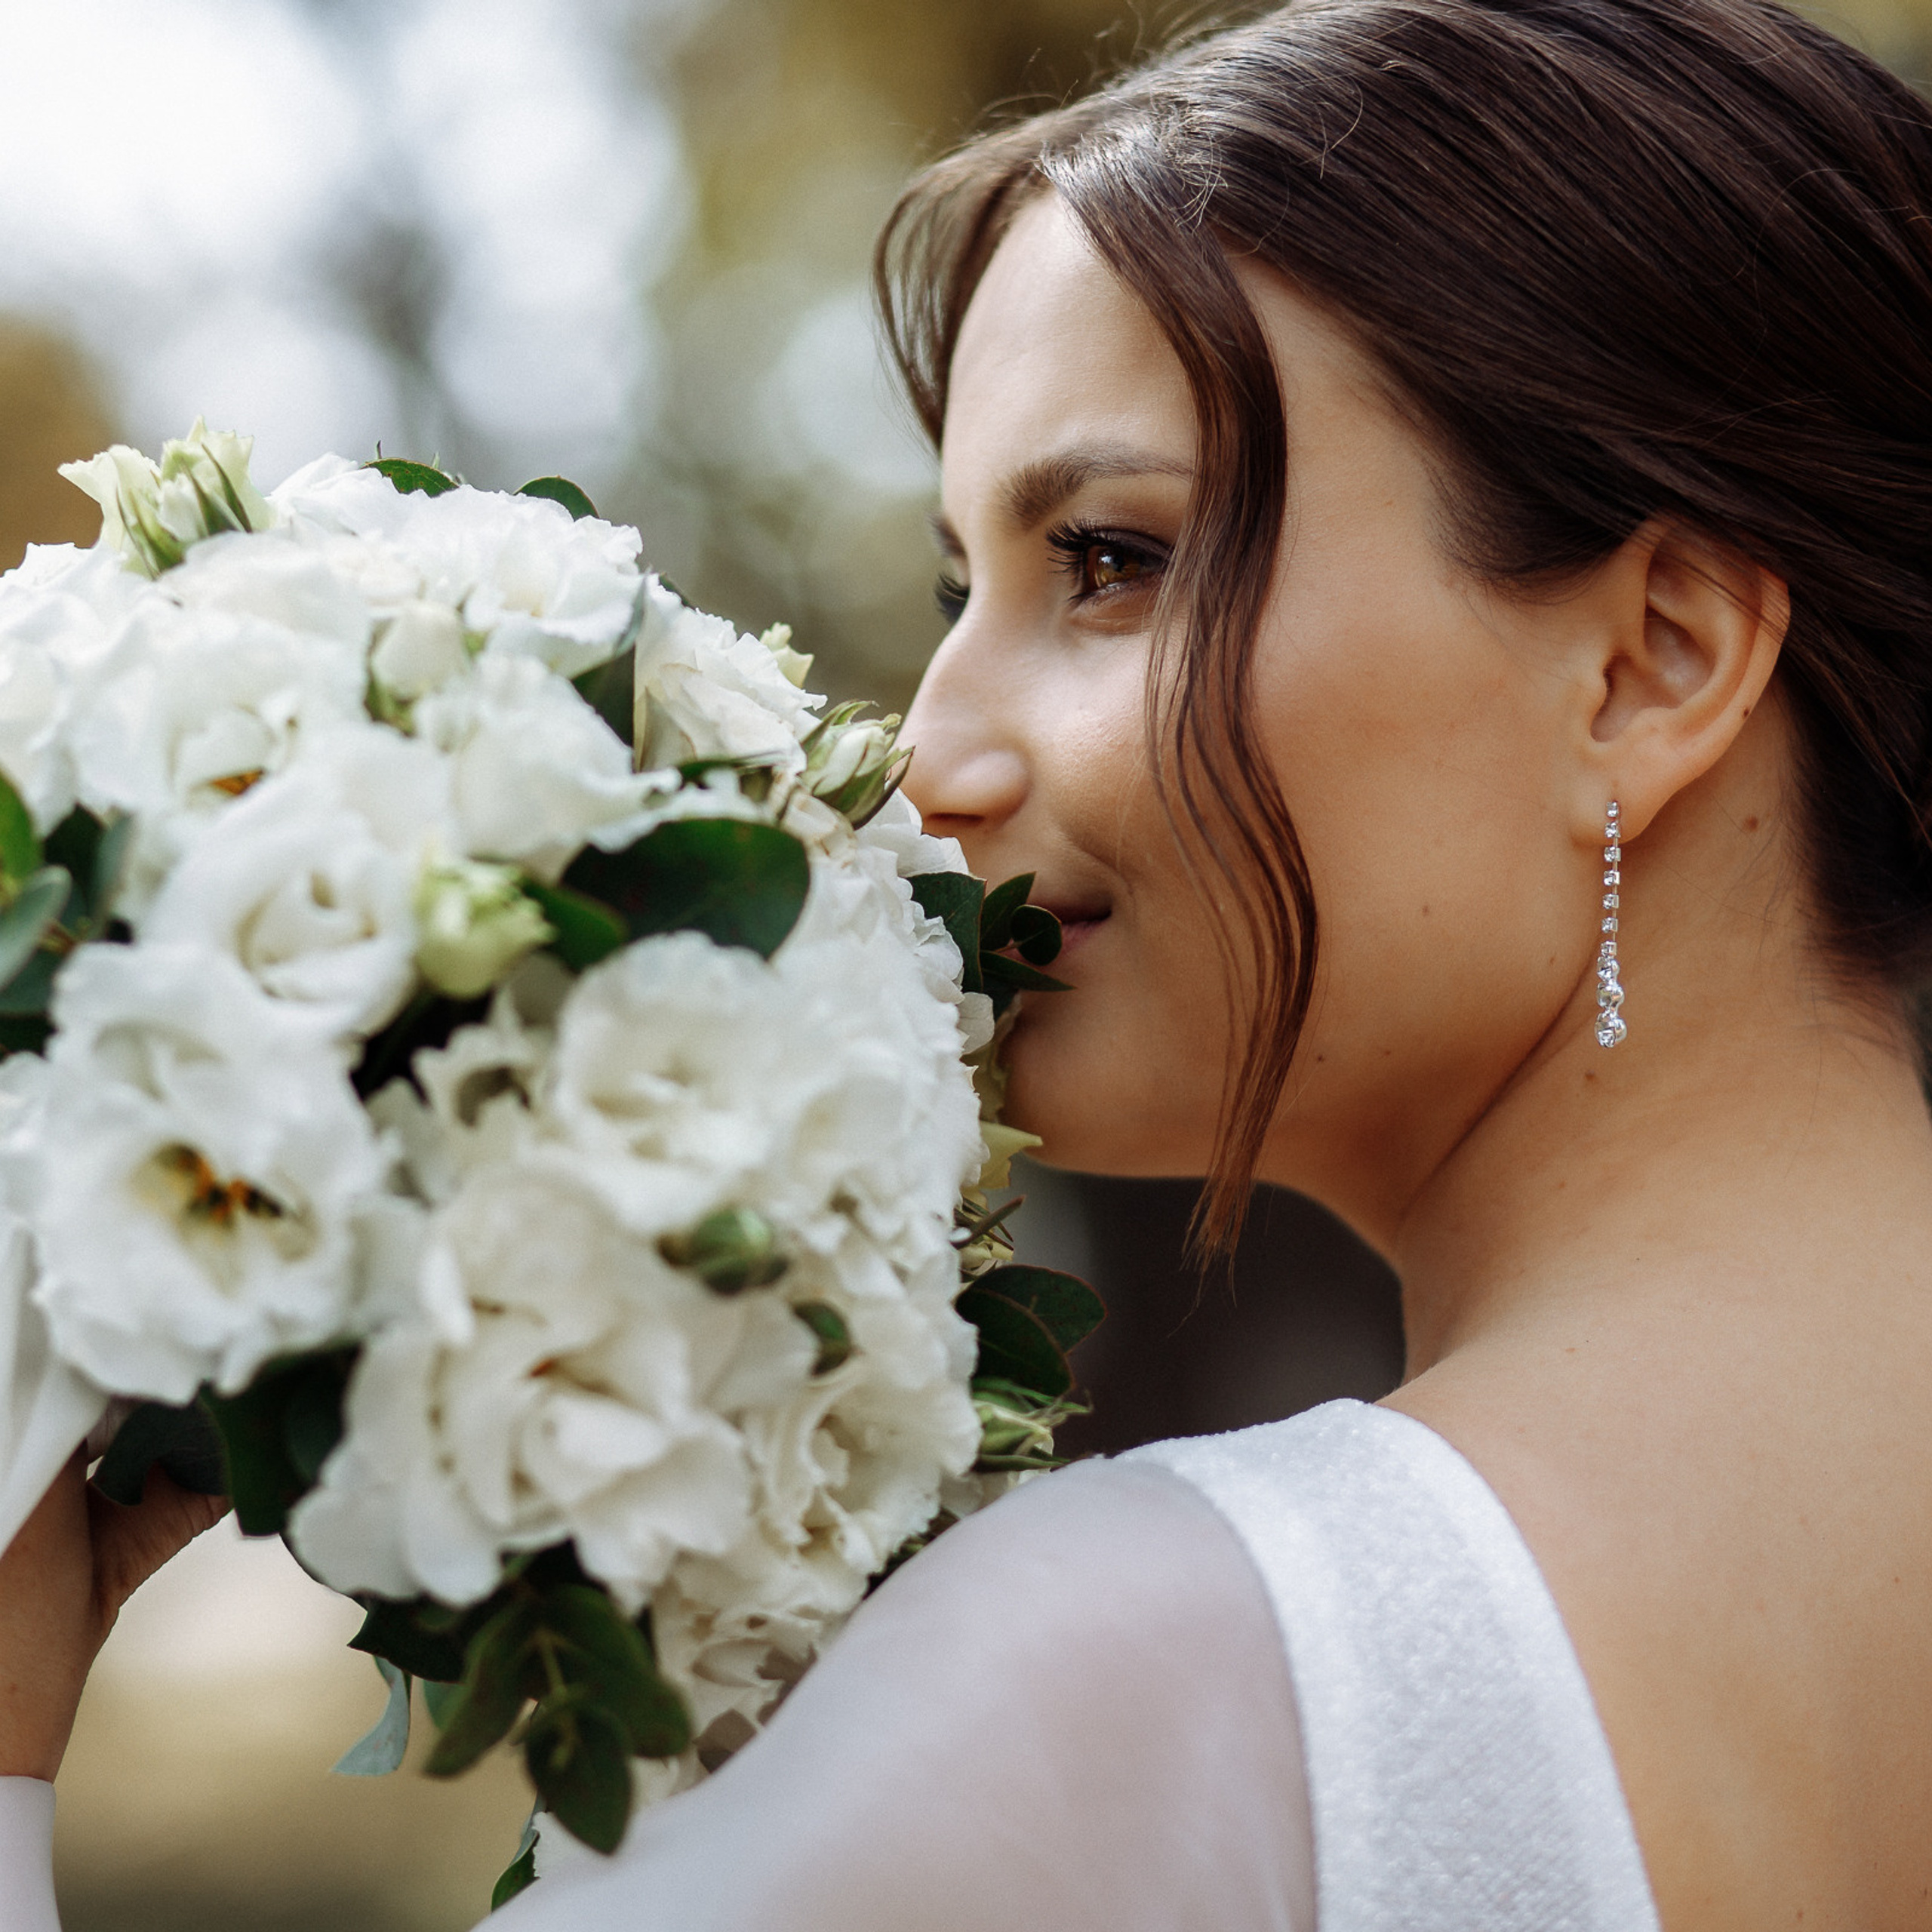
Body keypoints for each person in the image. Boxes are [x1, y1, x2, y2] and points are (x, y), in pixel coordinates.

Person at [9, 0, 1932, 1922]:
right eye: (956, 592)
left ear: (1649, 659)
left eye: (1107, 560)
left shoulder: (1150, 1676)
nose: (929, 756)